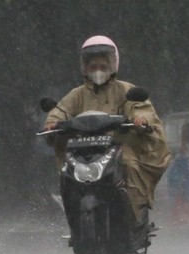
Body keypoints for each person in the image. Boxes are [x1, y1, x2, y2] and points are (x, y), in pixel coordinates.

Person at [43, 35, 171, 227]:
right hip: (83, 151)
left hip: (118, 148)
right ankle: (74, 220)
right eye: (93, 67)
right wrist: (52, 124)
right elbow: (60, 111)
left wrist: (141, 119)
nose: (98, 71)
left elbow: (141, 108)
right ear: (84, 67)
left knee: (130, 165)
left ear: (113, 65)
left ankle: (134, 217)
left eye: (103, 66)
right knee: (67, 174)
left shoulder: (126, 90)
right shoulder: (76, 95)